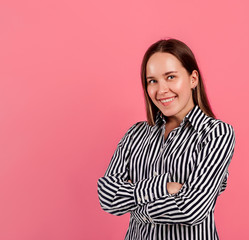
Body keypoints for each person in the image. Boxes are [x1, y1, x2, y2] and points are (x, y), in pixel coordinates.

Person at [97, 38, 236, 239]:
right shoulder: (135, 134)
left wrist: (138, 210)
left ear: (193, 79)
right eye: (152, 81)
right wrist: (164, 186)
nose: (161, 90)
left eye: (170, 77)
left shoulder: (216, 134)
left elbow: (192, 209)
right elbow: (108, 197)